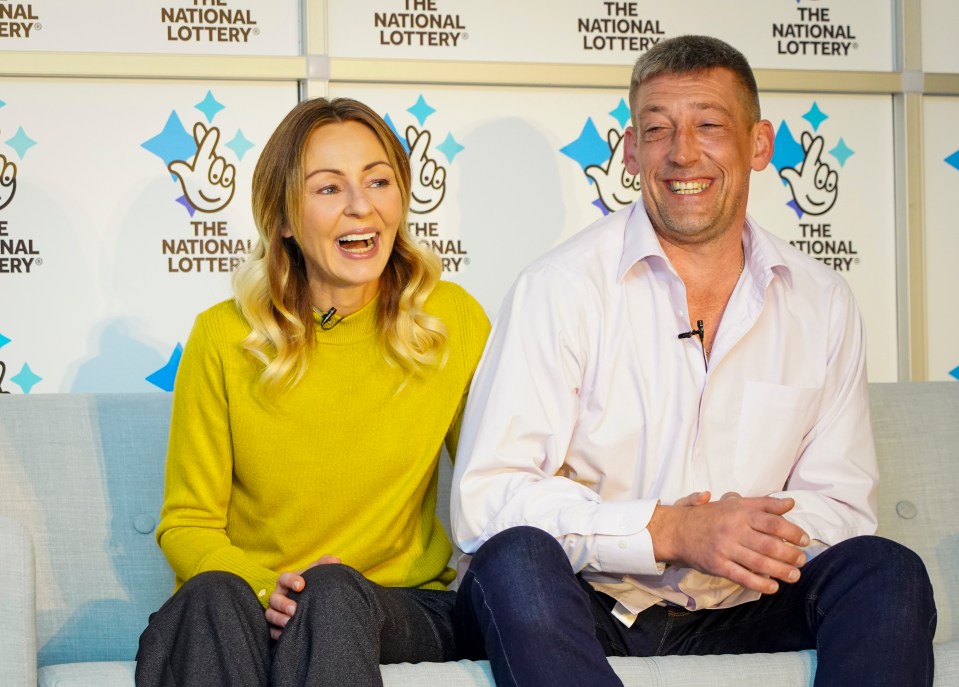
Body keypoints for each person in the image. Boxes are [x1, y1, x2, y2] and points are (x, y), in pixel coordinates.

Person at [450, 35, 936, 687]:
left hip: (749, 605)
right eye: (657, 129)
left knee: (885, 570)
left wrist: (739, 530)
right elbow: (486, 500)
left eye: (707, 125)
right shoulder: (558, 287)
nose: (682, 152)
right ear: (629, 151)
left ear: (758, 144)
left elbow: (842, 506)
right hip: (592, 601)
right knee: (512, 560)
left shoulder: (821, 300)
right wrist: (667, 529)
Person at [135, 97, 490, 687]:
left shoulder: (449, 319)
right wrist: (265, 588)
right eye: (328, 189)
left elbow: (502, 476)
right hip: (254, 608)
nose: (361, 206)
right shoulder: (224, 336)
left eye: (378, 181)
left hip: (399, 607)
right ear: (282, 218)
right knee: (211, 597)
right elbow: (187, 522)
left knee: (328, 593)